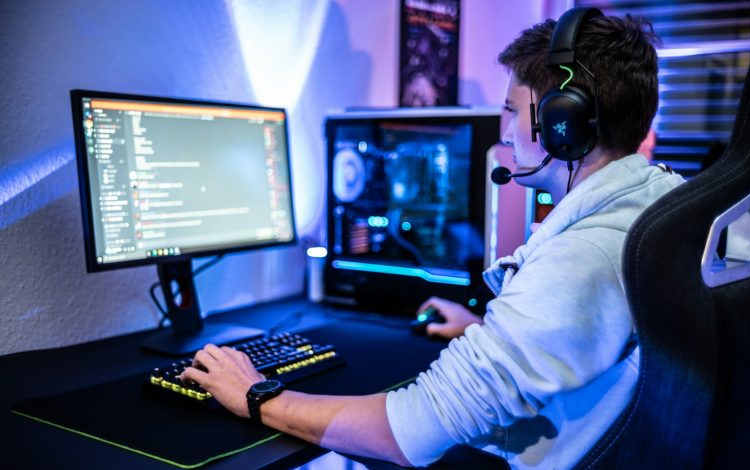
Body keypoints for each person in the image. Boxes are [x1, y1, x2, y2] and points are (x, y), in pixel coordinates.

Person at [180, 9, 684, 468]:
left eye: (512, 110)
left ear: (563, 125)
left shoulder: (581, 257)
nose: (506, 133)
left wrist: (256, 394)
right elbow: (575, 337)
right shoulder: (661, 202)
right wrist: (485, 333)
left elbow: (405, 433)